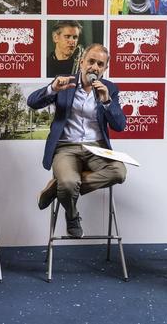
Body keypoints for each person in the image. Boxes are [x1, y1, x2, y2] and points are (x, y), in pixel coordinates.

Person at [28, 44, 127, 237]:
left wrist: (107, 101)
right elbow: (32, 102)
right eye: (91, 61)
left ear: (104, 69)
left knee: (119, 172)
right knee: (68, 181)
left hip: (97, 147)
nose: (94, 67)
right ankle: (72, 215)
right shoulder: (65, 83)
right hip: (66, 147)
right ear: (82, 62)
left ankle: (57, 188)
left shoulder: (110, 89)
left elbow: (120, 125)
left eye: (100, 64)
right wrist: (52, 89)